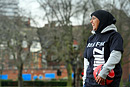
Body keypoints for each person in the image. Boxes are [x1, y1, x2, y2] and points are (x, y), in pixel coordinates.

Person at [82, 10, 123, 87]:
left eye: (94, 18)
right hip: (89, 83)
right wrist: (84, 80)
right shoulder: (91, 38)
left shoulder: (114, 36)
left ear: (102, 20)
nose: (91, 21)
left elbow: (116, 55)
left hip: (107, 82)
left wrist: (103, 72)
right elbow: (87, 60)